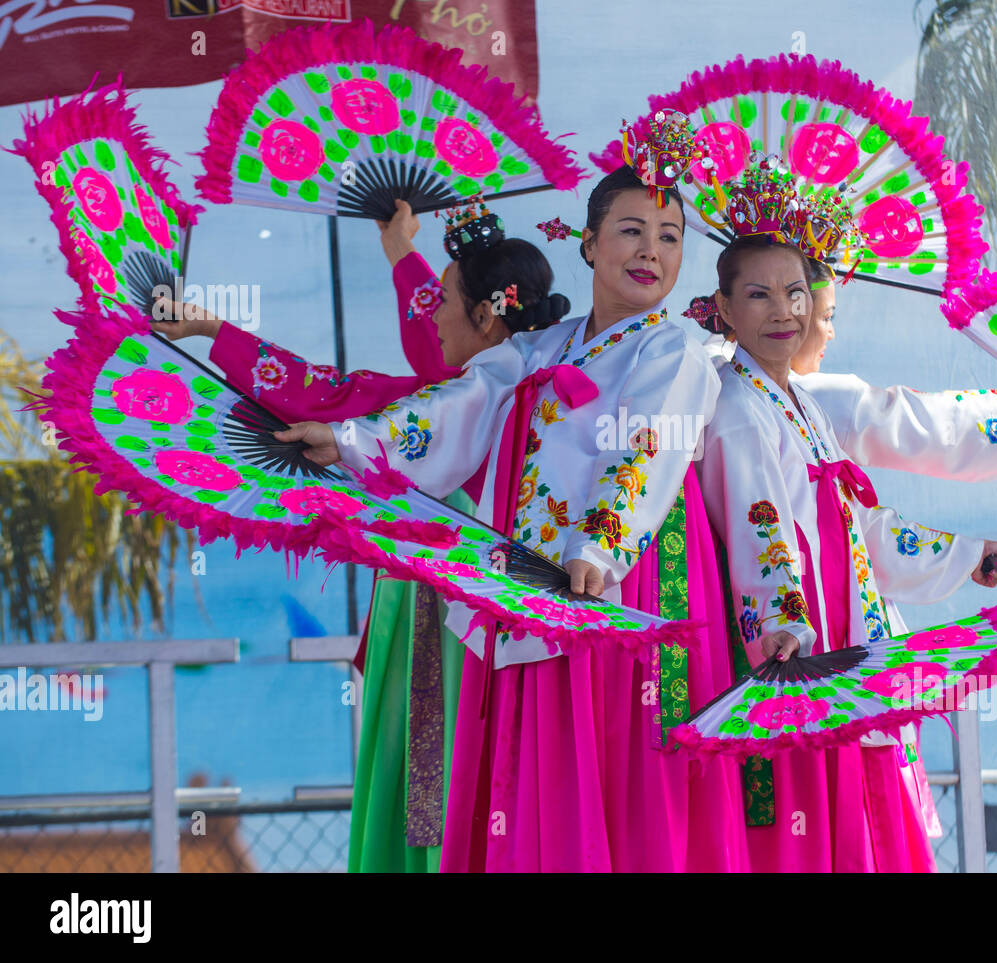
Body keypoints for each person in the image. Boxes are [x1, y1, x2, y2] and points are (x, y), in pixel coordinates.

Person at [280, 157, 750, 871]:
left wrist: (597, 548)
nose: (651, 250)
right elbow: (455, 405)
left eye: (670, 235)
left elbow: (652, 444)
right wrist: (350, 441)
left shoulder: (673, 346)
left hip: (609, 593)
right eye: (631, 230)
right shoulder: (537, 350)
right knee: (532, 791)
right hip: (526, 596)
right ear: (588, 243)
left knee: (610, 786)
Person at [151, 197, 569, 873]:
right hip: (526, 616)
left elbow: (327, 392)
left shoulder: (460, 395)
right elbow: (428, 330)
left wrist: (211, 328)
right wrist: (401, 250)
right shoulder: (545, 382)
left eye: (445, 303)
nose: (430, 313)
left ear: (488, 316)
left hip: (446, 607)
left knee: (434, 779)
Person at [696, 232, 997, 872]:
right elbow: (756, 520)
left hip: (842, 636)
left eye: (794, 293)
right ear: (724, 309)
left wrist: (963, 554)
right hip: (797, 647)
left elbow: (857, 524)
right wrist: (781, 626)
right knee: (811, 829)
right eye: (758, 295)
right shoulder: (737, 404)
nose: (782, 312)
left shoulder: (797, 401)